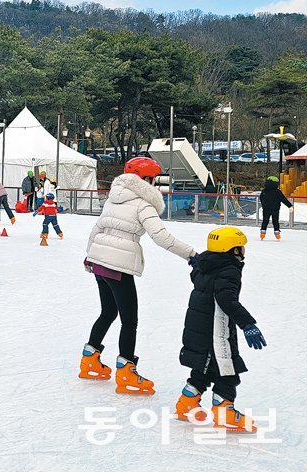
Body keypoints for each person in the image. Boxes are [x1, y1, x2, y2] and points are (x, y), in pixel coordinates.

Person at [79, 157, 196, 394]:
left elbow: (97, 229)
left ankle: (89, 359)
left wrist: (89, 256)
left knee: (108, 312)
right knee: (129, 320)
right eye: (154, 179)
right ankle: (126, 371)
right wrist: (192, 255)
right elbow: (161, 237)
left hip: (99, 262)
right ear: (146, 179)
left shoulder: (114, 198)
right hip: (118, 265)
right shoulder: (143, 204)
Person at [175, 227, 264, 432]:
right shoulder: (229, 269)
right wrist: (247, 324)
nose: (243, 251)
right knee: (227, 370)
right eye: (241, 247)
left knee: (204, 368)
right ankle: (224, 413)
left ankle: (186, 404)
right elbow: (226, 300)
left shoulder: (205, 264)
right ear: (232, 250)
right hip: (216, 330)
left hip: (198, 326)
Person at [259, 175, 293, 240]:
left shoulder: (264, 191)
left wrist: (264, 205)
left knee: (265, 221)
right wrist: (290, 206)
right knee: (275, 221)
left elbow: (261, 198)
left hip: (266, 209)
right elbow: (283, 199)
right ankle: (277, 233)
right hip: (275, 209)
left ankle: (262, 233)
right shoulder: (277, 191)